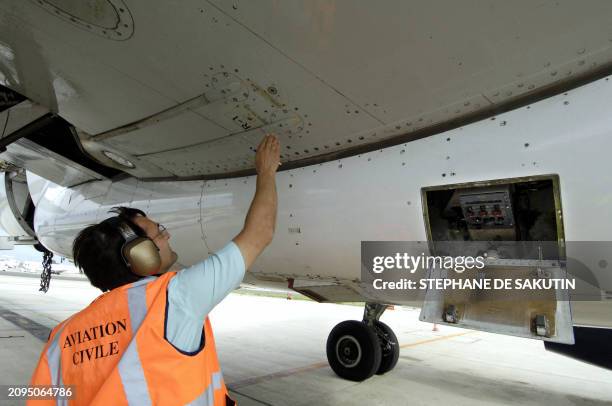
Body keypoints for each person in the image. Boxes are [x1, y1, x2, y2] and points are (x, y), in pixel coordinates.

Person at [28, 134, 281, 405]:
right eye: (158, 232)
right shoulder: (174, 299)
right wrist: (266, 171)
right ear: (140, 255)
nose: (167, 235)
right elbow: (259, 233)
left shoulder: (63, 337)